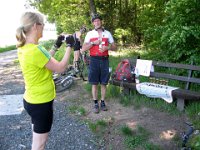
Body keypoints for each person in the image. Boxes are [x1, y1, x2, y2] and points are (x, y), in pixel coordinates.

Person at [16, 11, 74, 150]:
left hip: (30, 100)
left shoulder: (24, 47)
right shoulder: (36, 50)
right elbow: (59, 68)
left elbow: (44, 61)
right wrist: (69, 47)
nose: (44, 27)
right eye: (43, 24)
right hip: (41, 103)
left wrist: (56, 46)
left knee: (36, 141)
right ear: (36, 26)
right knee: (39, 146)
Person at [81, 13, 117, 113]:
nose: (96, 22)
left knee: (104, 83)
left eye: (98, 20)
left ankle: (103, 102)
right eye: (94, 21)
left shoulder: (108, 33)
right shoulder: (90, 34)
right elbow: (83, 49)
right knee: (94, 83)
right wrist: (93, 43)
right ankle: (96, 103)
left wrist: (108, 47)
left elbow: (115, 47)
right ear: (93, 23)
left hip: (105, 59)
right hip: (94, 60)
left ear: (101, 22)